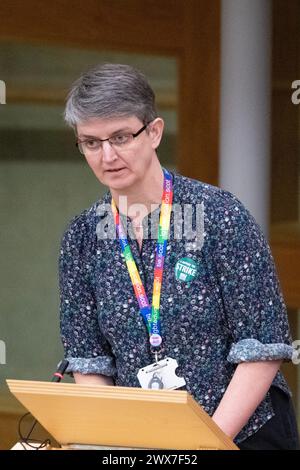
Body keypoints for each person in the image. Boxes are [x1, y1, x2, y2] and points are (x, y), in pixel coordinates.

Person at [59, 63, 299, 449]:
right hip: (141, 441)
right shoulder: (82, 238)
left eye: (121, 137)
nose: (107, 156)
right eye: (91, 142)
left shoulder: (220, 214)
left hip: (240, 435)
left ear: (154, 132)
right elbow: (90, 361)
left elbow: (262, 348)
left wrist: (200, 446)